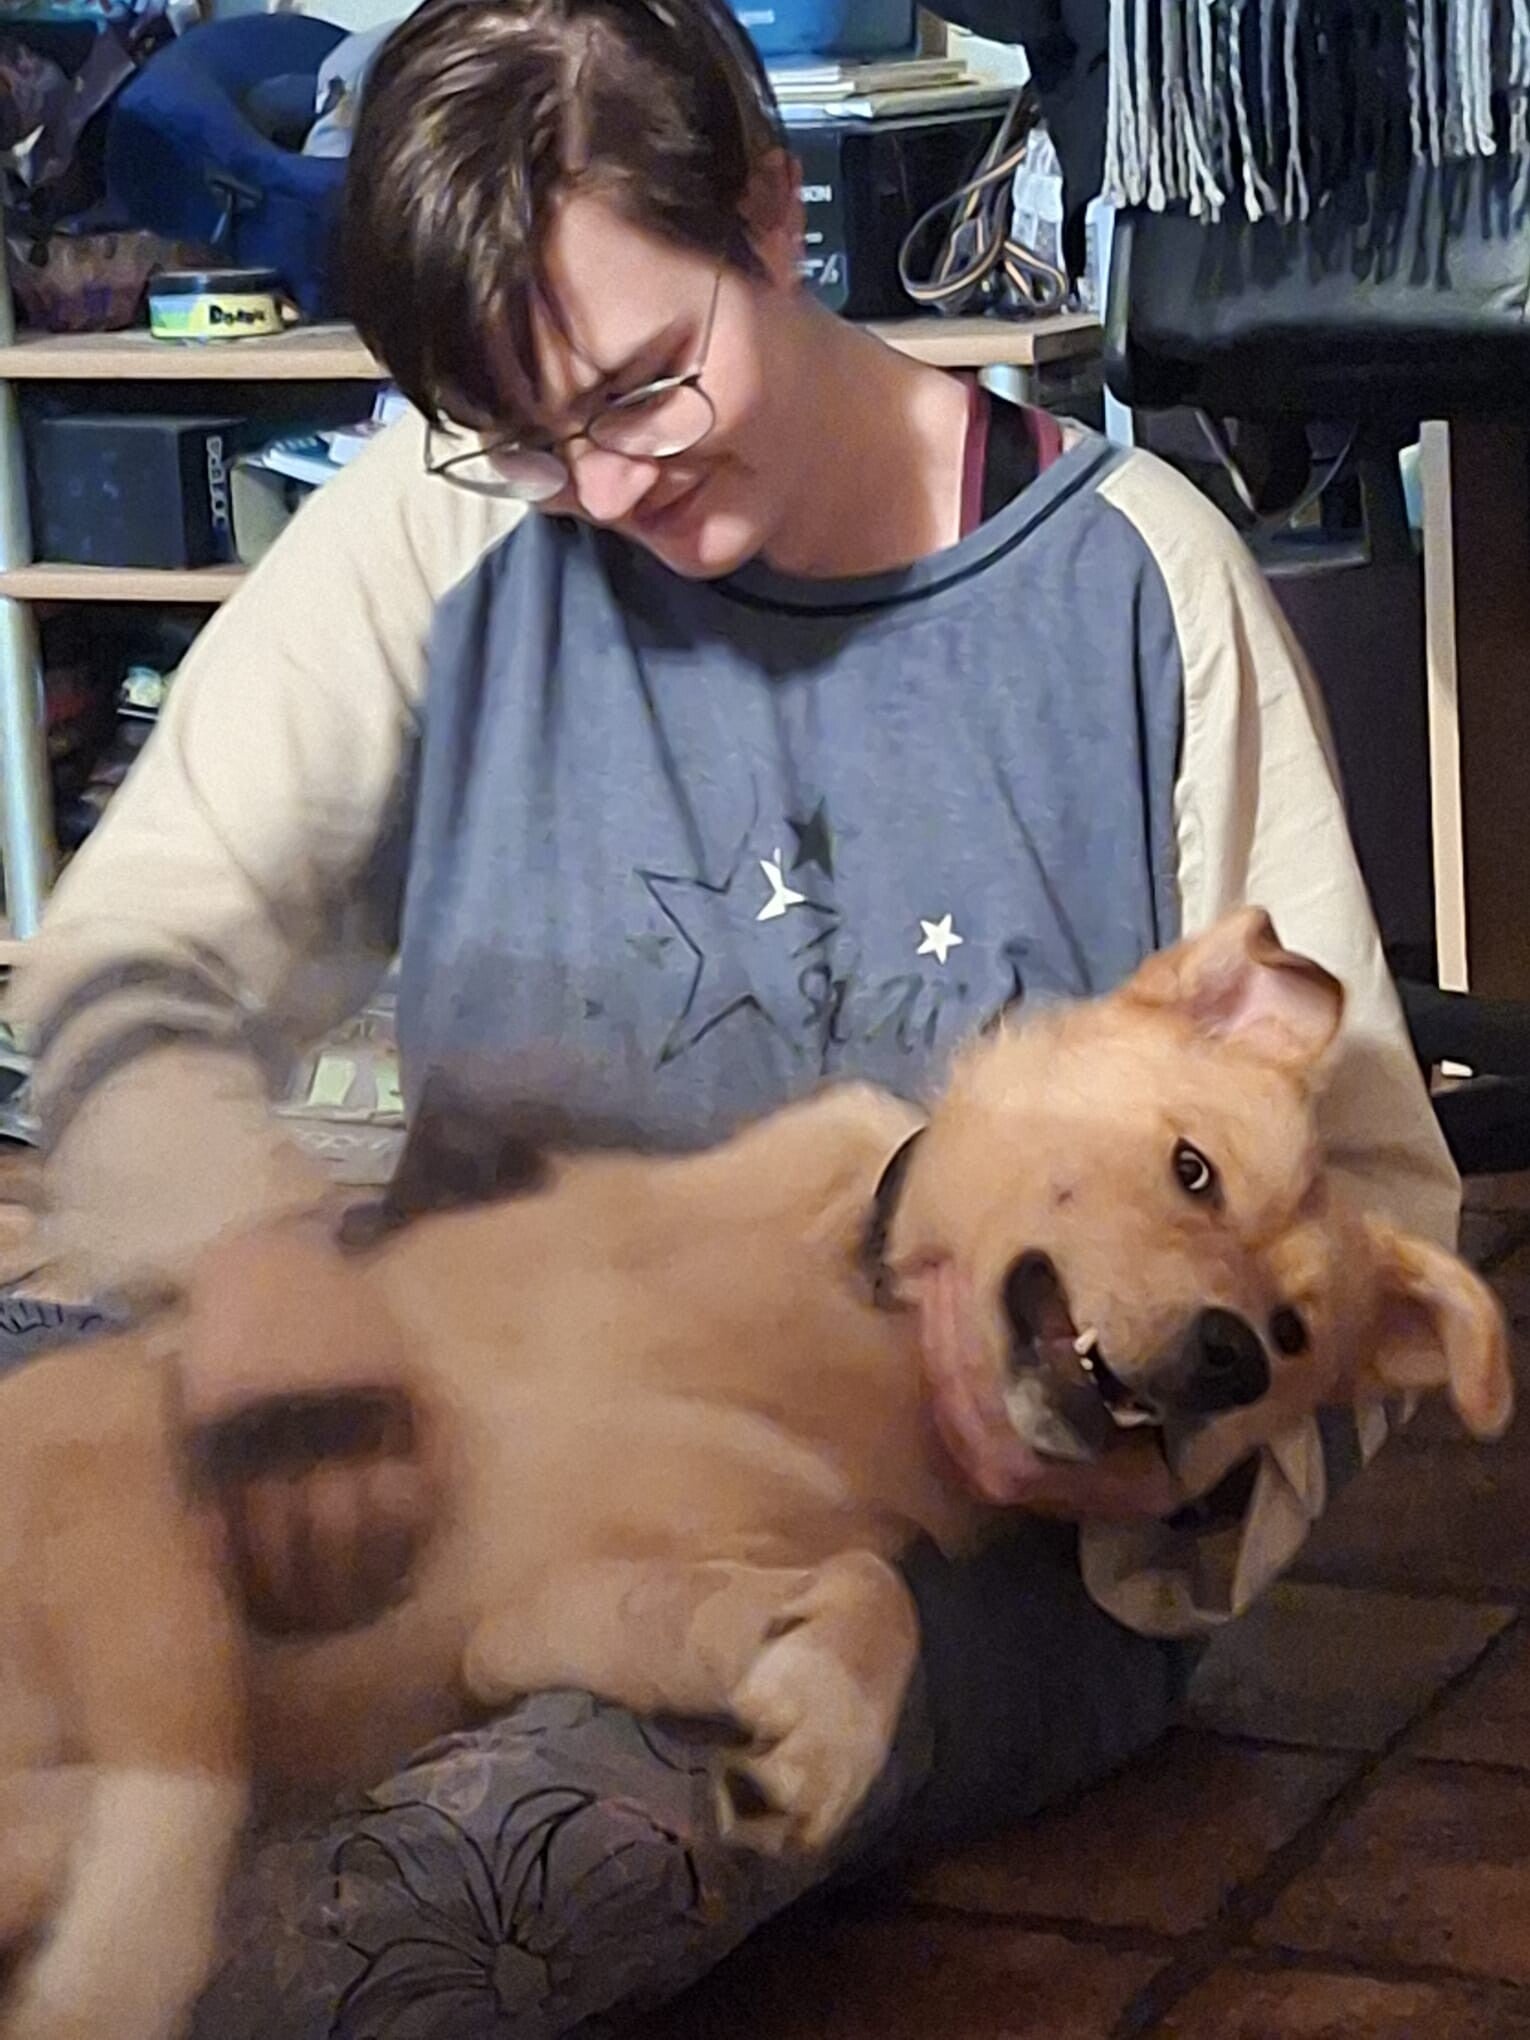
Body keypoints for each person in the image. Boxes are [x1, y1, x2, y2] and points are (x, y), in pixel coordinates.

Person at [6, 0, 1457, 2029]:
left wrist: (1172, 1465)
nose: (598, 486)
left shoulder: (1135, 591)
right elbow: (129, 955)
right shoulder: (449, 523)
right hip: (468, 1427)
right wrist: (252, 1255)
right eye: (520, 433)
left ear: (773, 216)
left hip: (902, 1561)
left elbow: (1374, 1220)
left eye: (645, 386)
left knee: (445, 1898)